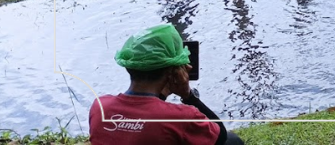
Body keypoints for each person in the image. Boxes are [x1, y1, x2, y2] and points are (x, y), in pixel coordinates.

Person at [89, 24, 244, 145]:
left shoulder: (100, 106)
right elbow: (219, 137)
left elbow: (143, 119)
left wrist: (162, 94)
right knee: (232, 141)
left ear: (129, 65)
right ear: (173, 70)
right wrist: (188, 96)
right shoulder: (181, 117)